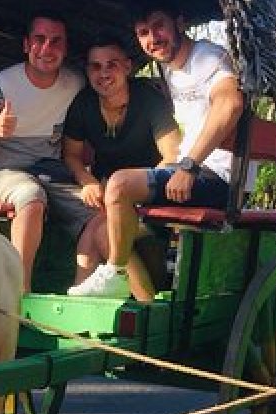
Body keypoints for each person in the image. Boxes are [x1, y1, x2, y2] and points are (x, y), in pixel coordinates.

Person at [67, 2, 245, 298]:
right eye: (143, 32)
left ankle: (115, 274)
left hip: (220, 178)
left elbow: (231, 104)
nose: (153, 38)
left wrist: (188, 166)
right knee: (101, 229)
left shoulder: (209, 58)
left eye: (159, 26)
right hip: (190, 172)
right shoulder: (169, 72)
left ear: (180, 23)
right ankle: (131, 306)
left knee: (119, 184)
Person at [0, 11, 90, 292]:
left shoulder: (76, 84)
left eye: (56, 41)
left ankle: (82, 292)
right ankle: (20, 293)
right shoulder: (2, 85)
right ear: (26, 45)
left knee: (99, 209)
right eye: (40, 39)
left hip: (54, 171)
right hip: (4, 171)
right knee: (31, 197)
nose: (47, 48)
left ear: (65, 48)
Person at [62, 34, 181, 301]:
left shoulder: (148, 100)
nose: (103, 73)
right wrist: (88, 181)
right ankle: (81, 298)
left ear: (127, 67)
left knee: (103, 231)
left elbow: (172, 153)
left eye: (112, 64)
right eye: (95, 66)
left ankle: (146, 305)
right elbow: (71, 155)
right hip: (107, 198)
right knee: (97, 225)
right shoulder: (84, 105)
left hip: (151, 200)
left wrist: (135, 190)